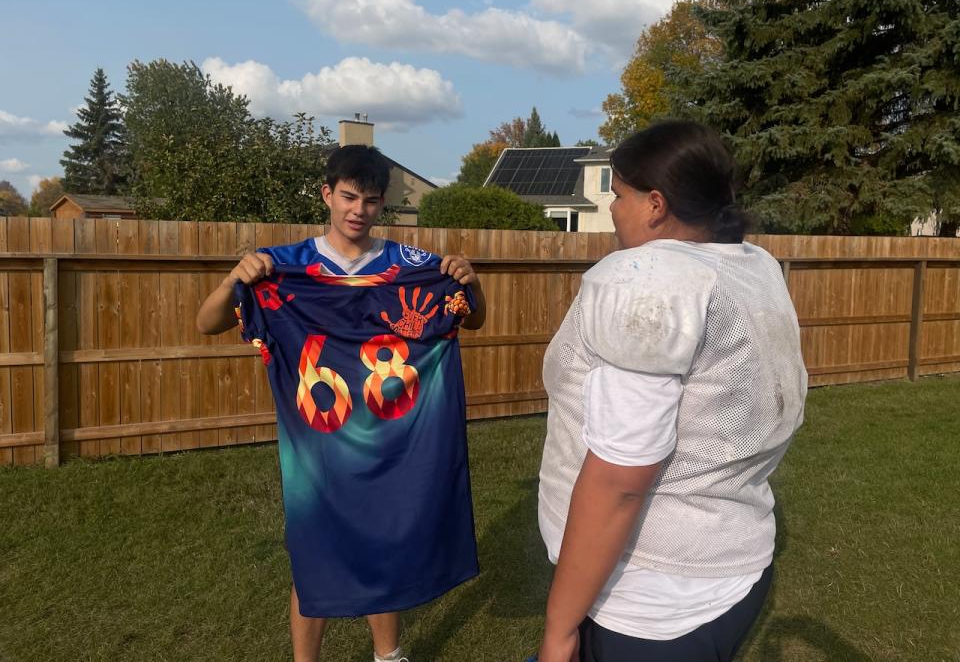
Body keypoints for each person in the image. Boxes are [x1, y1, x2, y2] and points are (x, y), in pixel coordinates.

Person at [196, 144, 486, 662]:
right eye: (349, 197)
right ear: (327, 194)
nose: (358, 210)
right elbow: (207, 322)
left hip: (395, 441)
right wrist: (234, 279)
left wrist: (471, 284)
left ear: (383, 205)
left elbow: (471, 317)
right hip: (318, 447)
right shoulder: (282, 267)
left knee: (388, 546)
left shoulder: (413, 266)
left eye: (371, 201)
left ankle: (387, 655)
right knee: (316, 557)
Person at [535, 120, 807, 662]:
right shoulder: (751, 265)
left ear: (655, 205)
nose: (613, 208)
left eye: (618, 194)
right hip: (735, 566)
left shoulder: (650, 281)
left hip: (649, 600)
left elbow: (619, 481)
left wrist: (559, 630)